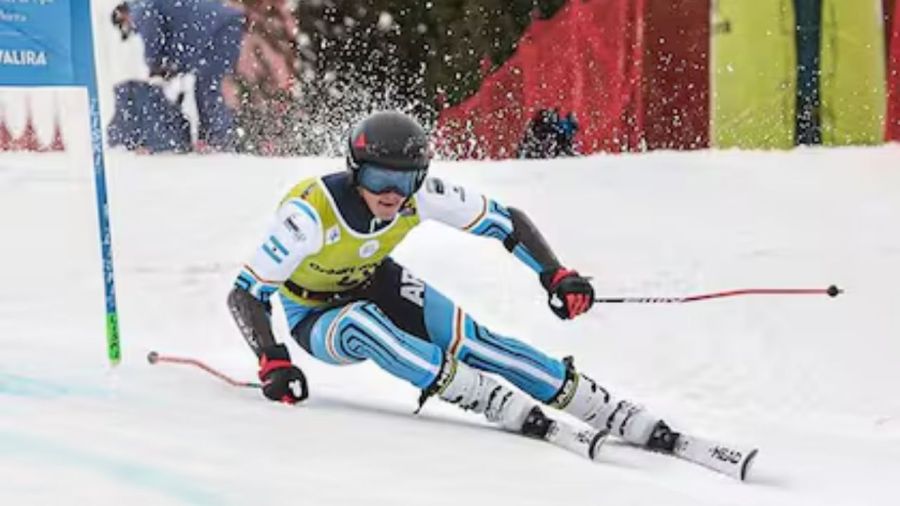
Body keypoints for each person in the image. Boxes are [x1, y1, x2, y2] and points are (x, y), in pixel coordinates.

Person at [227, 111, 680, 451]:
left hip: (375, 281)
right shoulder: (309, 213)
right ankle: (483, 397)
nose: (391, 193)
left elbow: (508, 223)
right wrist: (273, 360)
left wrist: (555, 273)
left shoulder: (418, 195)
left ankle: (599, 405)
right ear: (354, 171)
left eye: (403, 180)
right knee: (360, 322)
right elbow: (246, 293)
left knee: (477, 343)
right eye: (378, 177)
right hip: (314, 315)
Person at [111, 0, 244, 151]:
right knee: (206, 87)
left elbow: (152, 33)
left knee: (208, 88)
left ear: (123, 16)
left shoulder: (140, 9)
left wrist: (154, 64)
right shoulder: (152, 6)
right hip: (220, 26)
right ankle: (215, 139)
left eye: (128, 28)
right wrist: (173, 67)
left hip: (221, 28)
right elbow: (179, 37)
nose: (133, 31)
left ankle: (221, 143)